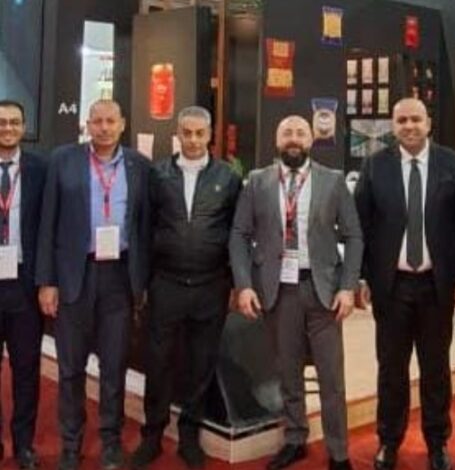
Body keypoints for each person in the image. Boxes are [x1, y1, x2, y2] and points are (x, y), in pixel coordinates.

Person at [229, 115, 363, 470]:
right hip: (278, 291)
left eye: (300, 133)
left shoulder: (333, 181)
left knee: (331, 377)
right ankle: (295, 438)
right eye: (286, 132)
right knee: (287, 372)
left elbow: (354, 236)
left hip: (323, 292)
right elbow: (239, 234)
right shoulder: (257, 182)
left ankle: (338, 452)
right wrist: (244, 285)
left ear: (311, 139)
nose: (293, 138)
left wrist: (348, 287)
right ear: (277, 140)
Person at [354, 98, 455, 470]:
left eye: (416, 119)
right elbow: (361, 226)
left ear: (429, 123)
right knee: (391, 369)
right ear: (393, 125)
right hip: (391, 287)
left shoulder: (454, 164)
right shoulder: (375, 165)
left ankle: (437, 442)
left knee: (436, 369)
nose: (409, 126)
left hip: (436, 286)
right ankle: (388, 441)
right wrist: (361, 276)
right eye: (402, 120)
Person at [36, 99, 151, 470]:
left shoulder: (138, 165)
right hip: (75, 276)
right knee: (70, 369)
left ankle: (111, 442)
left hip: (119, 277)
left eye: (110, 121)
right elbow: (47, 222)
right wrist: (47, 281)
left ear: (122, 124)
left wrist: (142, 281)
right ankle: (70, 444)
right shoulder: (63, 160)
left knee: (114, 367)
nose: (103, 128)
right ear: (87, 124)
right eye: (97, 121)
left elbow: (144, 226)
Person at [130, 106, 242, 469]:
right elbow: (143, 228)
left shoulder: (228, 177)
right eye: (187, 133)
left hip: (211, 285)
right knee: (157, 361)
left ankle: (190, 435)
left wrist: (236, 283)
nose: (193, 140)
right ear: (177, 134)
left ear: (209, 134)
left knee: (200, 364)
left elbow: (237, 234)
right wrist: (142, 282)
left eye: (199, 133)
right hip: (166, 284)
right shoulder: (157, 174)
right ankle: (152, 434)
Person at [0, 100, 47, 469]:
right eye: (1, 123)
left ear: (24, 127)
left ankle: (24, 445)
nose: (8, 129)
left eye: (14, 122)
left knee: (26, 369)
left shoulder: (40, 169)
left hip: (24, 284)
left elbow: (48, 228)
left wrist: (47, 281)